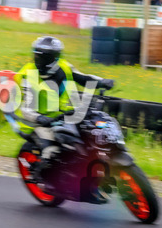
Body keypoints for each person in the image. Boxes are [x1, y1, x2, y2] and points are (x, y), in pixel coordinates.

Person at [11, 36, 113, 187]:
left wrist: (102, 81)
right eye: (37, 55)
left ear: (54, 57)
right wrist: (40, 118)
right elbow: (26, 108)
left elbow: (84, 78)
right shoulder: (28, 75)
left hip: (63, 115)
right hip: (35, 122)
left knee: (89, 134)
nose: (38, 60)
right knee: (51, 150)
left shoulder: (64, 66)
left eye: (43, 56)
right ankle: (49, 181)